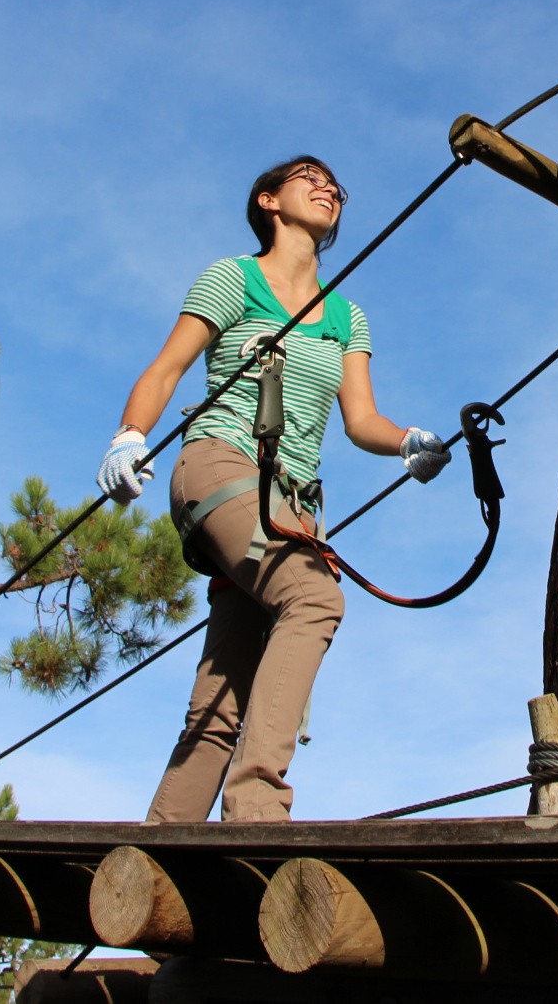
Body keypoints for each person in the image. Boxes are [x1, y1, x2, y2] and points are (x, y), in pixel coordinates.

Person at [95, 155, 452, 822]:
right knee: (315, 597)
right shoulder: (234, 278)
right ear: (267, 200)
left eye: (336, 185)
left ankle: (161, 850)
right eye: (308, 177)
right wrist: (129, 435)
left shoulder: (346, 314)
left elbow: (361, 419)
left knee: (222, 699)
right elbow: (167, 367)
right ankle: (257, 807)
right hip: (220, 464)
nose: (328, 188)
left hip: (291, 505)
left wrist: (407, 440)